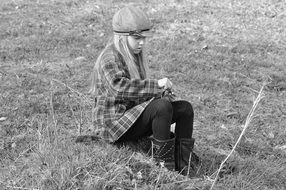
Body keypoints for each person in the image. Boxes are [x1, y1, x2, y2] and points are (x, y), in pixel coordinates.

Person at [90, 5, 199, 176]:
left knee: (185, 109)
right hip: (113, 126)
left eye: (144, 38)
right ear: (122, 37)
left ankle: (183, 166)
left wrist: (160, 94)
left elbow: (138, 96)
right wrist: (156, 86)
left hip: (130, 119)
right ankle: (165, 169)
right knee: (161, 108)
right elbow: (119, 88)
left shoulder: (133, 56)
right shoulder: (109, 57)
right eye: (137, 38)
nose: (142, 42)